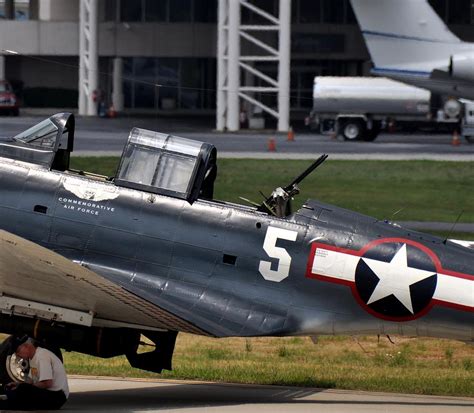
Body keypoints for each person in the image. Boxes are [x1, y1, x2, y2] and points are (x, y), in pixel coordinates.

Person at [0, 337, 69, 410]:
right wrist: (18, 384)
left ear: (27, 346)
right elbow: (31, 380)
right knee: (16, 389)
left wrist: (24, 387)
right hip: (49, 394)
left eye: (18, 351)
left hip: (57, 397)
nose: (17, 355)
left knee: (22, 391)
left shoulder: (42, 357)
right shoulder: (32, 357)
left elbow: (47, 383)